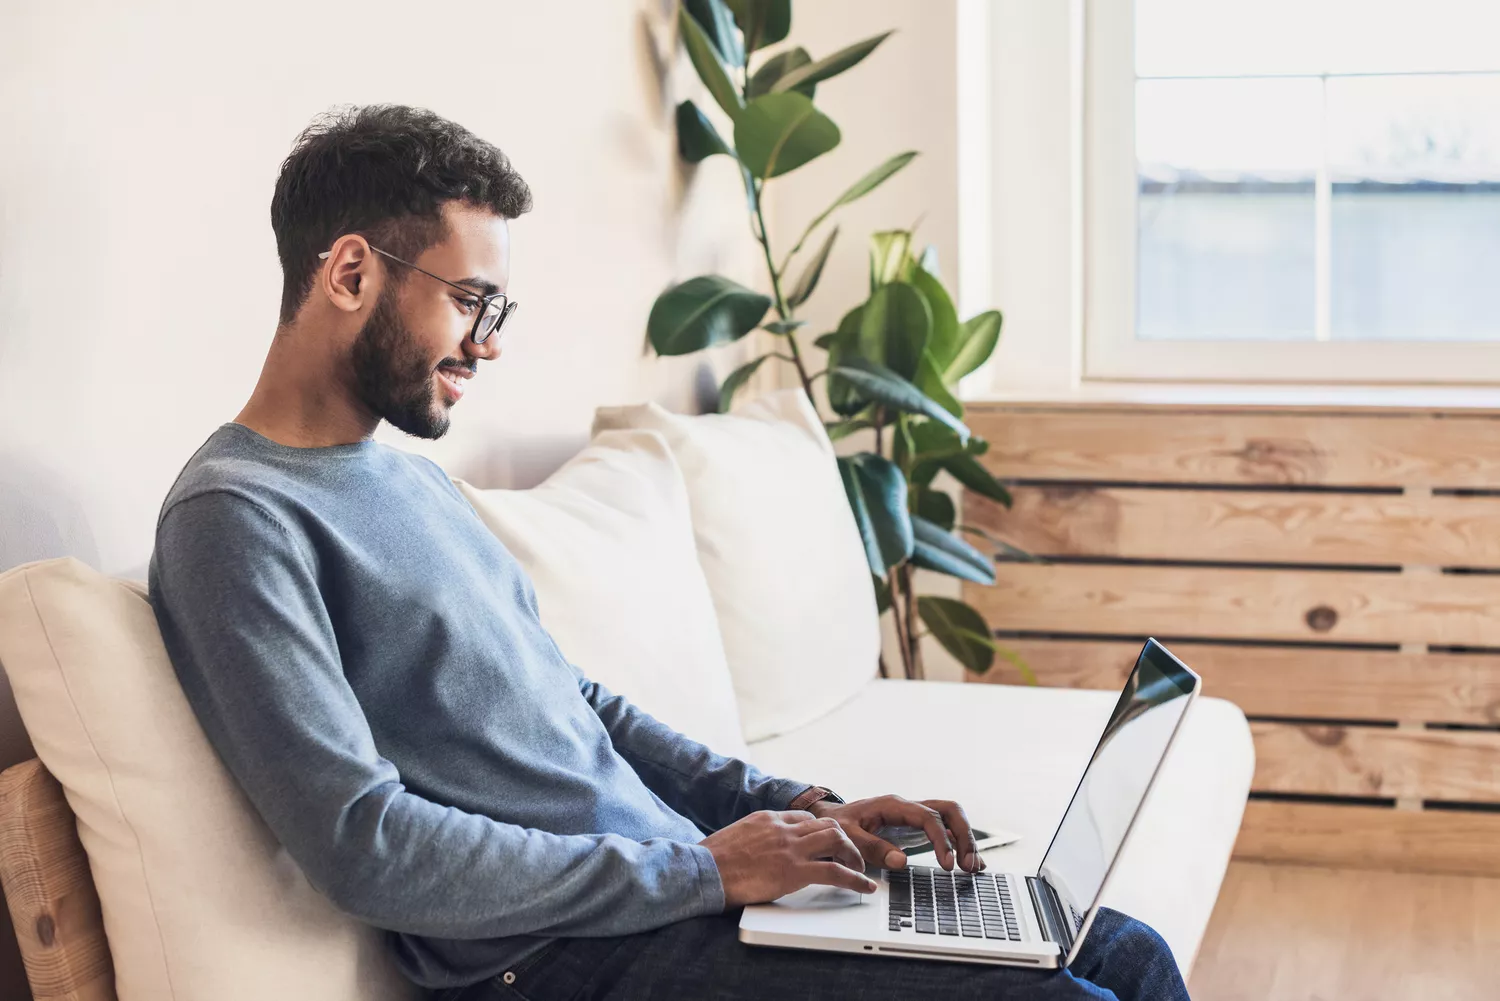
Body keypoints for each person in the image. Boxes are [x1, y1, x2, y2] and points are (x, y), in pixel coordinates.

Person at [147, 104, 1190, 1001]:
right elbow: (364, 839)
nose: (491, 341)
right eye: (471, 300)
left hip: (669, 896)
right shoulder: (235, 519)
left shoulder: (409, 476)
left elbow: (577, 703)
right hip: (557, 959)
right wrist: (704, 869)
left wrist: (792, 810)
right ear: (349, 272)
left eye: (496, 308)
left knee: (1123, 948)